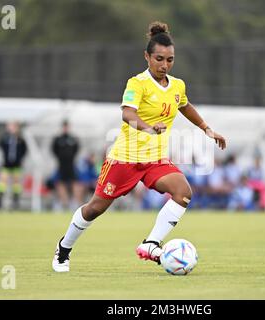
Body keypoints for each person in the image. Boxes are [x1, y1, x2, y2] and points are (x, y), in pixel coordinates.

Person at [52, 21, 226, 272]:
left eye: (170, 60)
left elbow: (184, 105)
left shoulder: (177, 86)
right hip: (125, 159)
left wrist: (207, 129)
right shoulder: (137, 83)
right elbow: (127, 114)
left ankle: (151, 243)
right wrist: (147, 127)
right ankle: (64, 249)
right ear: (147, 56)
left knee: (183, 192)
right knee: (95, 209)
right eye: (159, 58)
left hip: (155, 160)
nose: (164, 65)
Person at [0, 121, 27, 210]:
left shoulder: (20, 139)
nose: (11, 128)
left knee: (16, 184)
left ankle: (15, 201)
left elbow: (24, 150)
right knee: (2, 182)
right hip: (6, 164)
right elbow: (2, 148)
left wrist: (19, 159)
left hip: (17, 164)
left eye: (13, 126)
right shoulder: (5, 138)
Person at [51, 120, 80, 211]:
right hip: (61, 165)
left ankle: (74, 202)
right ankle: (64, 202)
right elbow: (53, 150)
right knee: (60, 183)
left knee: (74, 182)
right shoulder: (58, 139)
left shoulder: (73, 138)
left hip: (71, 164)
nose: (65, 128)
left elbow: (77, 149)